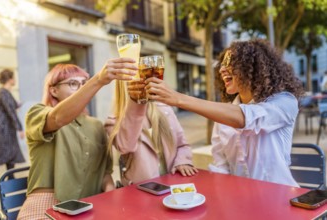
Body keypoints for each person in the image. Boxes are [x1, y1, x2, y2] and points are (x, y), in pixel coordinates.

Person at [145, 39, 304, 187]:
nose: (221, 69)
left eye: (230, 63)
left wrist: (178, 99)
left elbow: (247, 118)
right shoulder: (222, 115)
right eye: (221, 64)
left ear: (252, 67)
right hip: (240, 202)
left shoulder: (285, 102)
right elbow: (221, 167)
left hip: (279, 196)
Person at [18, 58, 137, 219]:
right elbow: (57, 118)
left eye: (84, 84)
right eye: (73, 83)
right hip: (46, 203)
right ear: (53, 91)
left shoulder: (96, 125)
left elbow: (104, 174)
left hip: (88, 205)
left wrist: (111, 197)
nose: (82, 89)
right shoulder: (37, 113)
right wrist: (98, 80)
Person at [105, 79, 198, 186]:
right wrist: (136, 101)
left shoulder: (165, 109)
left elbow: (182, 145)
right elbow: (126, 146)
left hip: (173, 186)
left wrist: (183, 161)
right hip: (141, 191)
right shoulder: (115, 121)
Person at [0, 69, 25, 178]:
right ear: (10, 79)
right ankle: (11, 177)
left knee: (11, 153)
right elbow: (10, 111)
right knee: (3, 153)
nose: (15, 80)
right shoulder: (3, 93)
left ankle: (11, 177)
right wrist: (20, 128)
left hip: (7, 128)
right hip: (3, 129)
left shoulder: (6, 92)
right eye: (13, 77)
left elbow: (13, 106)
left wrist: (18, 105)